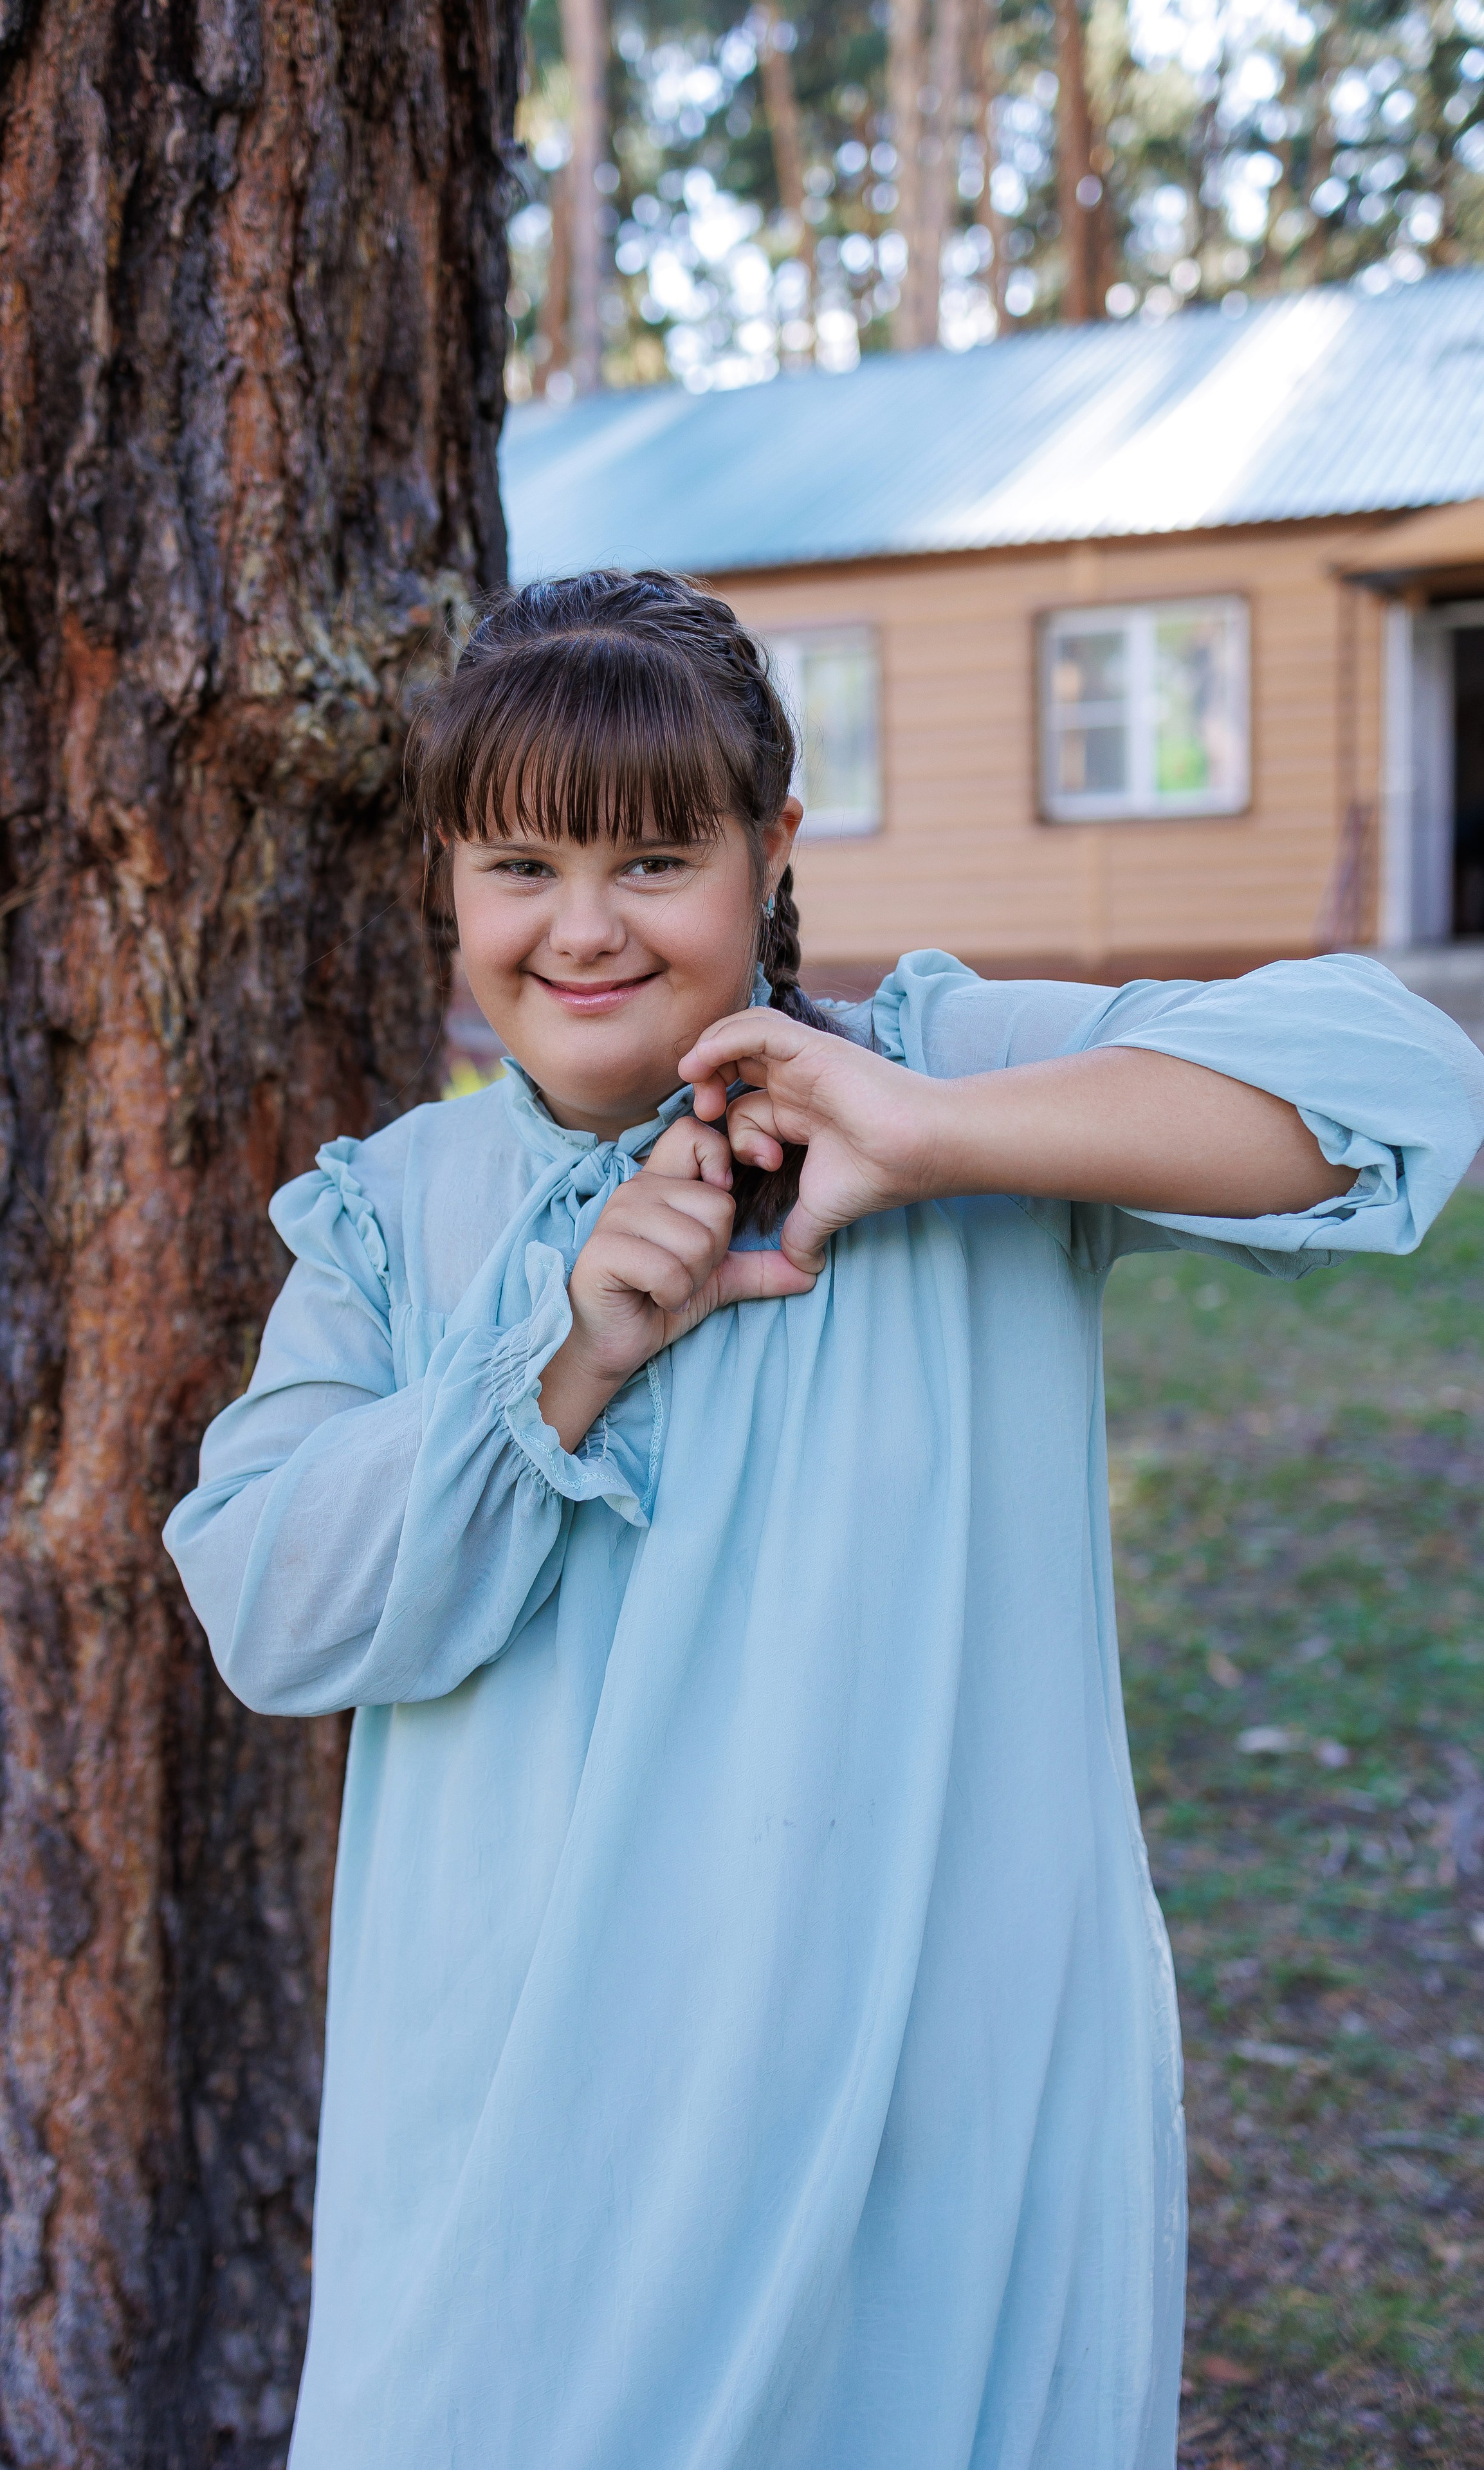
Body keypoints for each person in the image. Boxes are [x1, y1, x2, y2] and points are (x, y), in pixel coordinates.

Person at [164, 570, 1484, 2470]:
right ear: (449, 875)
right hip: (536, 2126)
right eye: (522, 865)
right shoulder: (395, 1212)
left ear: (772, 847)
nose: (586, 926)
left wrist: (933, 1137)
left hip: (926, 2099)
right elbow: (270, 1612)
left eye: (654, 858)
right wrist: (559, 1353)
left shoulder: (947, 1068)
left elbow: (1401, 1088)